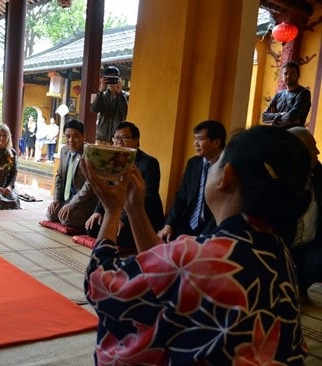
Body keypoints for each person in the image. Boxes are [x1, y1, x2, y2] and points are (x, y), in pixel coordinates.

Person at [83, 125, 309, 365]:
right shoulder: (275, 249)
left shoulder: (199, 258)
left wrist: (112, 211)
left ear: (226, 176)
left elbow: (100, 283)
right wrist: (134, 208)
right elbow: (168, 273)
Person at [85, 121, 164, 253]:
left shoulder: (149, 163)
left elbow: (148, 198)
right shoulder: (113, 161)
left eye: (125, 138)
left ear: (136, 141)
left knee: (119, 234)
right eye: (116, 138)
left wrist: (122, 220)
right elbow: (107, 189)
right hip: (117, 211)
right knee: (92, 226)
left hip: (141, 215)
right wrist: (98, 212)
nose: (119, 142)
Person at [158, 120, 226, 241]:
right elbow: (181, 198)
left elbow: (224, 208)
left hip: (214, 228)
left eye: (200, 139)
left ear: (216, 143)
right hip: (188, 224)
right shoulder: (193, 163)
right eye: (194, 139)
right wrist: (169, 224)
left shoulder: (227, 166)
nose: (195, 144)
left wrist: (201, 238)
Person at [287, 127, 322, 299]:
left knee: (315, 264)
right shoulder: (279, 178)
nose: (318, 150)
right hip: (284, 242)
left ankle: (300, 289)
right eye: (312, 146)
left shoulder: (317, 175)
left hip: (311, 243)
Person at [46, 119, 98, 228]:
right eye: (67, 136)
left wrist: (73, 203)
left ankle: (87, 218)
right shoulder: (64, 150)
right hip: (67, 198)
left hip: (83, 201)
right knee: (51, 214)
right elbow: (59, 176)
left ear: (83, 136)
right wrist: (56, 199)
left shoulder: (90, 153)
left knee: (66, 219)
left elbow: (90, 184)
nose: (71, 140)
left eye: (75, 136)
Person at [262, 61, 311, 128]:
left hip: (293, 133)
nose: (288, 76)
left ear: (298, 75)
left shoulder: (303, 93)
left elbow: (291, 116)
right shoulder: (278, 95)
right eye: (285, 73)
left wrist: (273, 117)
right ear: (282, 76)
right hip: (276, 132)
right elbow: (264, 117)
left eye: (292, 73)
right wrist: (282, 115)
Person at [90, 66, 128, 145]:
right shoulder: (102, 95)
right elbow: (94, 109)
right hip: (101, 137)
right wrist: (101, 90)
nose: (110, 82)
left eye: (113, 78)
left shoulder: (124, 96)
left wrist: (120, 93)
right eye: (108, 79)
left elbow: (125, 112)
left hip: (117, 138)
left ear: (118, 79)